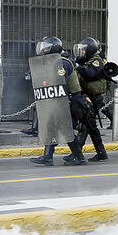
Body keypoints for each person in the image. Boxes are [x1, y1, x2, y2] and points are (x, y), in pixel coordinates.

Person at [29, 36, 88, 166]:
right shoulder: (52, 62)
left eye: (46, 47)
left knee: (63, 129)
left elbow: (60, 83)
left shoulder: (62, 63)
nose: (43, 50)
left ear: (54, 48)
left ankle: (77, 158)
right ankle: (50, 157)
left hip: (70, 100)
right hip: (59, 101)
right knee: (55, 127)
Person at [70, 37, 110, 161]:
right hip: (86, 96)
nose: (82, 52)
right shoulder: (86, 60)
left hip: (94, 97)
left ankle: (77, 154)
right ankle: (101, 152)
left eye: (84, 50)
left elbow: (90, 74)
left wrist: (77, 65)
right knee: (90, 125)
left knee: (86, 125)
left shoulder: (97, 61)